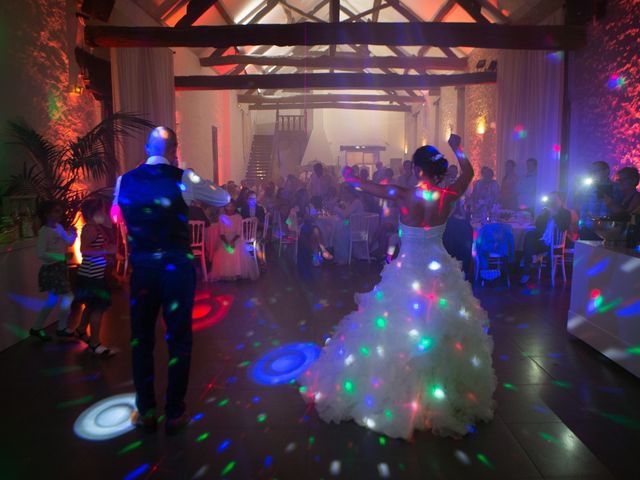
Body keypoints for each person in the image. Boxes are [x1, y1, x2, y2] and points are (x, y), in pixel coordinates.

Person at [299, 135, 496, 439]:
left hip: (407, 271)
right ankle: (436, 393)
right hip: (438, 271)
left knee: (397, 329)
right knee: (437, 329)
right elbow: (468, 173)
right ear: (438, 171)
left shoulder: (405, 195)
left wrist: (351, 177)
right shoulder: (447, 196)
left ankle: (401, 392)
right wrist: (457, 148)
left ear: (418, 170)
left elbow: (368, 187)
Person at [115, 126, 230, 435]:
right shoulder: (184, 178)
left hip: (142, 269)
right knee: (178, 339)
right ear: (174, 149)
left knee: (141, 340)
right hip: (176, 269)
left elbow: (118, 213)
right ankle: (175, 412)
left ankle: (147, 410)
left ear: (146, 149)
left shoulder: (123, 180)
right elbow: (223, 197)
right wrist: (194, 182)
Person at [73, 197, 116, 356]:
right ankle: (95, 343)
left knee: (91, 306)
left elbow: (96, 248)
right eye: (102, 210)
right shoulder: (90, 229)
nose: (105, 214)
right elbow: (84, 250)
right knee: (98, 309)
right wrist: (106, 251)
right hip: (91, 277)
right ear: (93, 213)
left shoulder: (96, 228)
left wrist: (107, 249)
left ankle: (80, 330)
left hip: (94, 275)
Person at [31, 200, 77, 340]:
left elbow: (68, 242)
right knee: (68, 296)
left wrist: (73, 235)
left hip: (60, 267)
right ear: (47, 214)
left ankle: (37, 328)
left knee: (53, 300)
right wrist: (61, 255)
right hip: (52, 269)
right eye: (56, 211)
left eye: (59, 211)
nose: (60, 213)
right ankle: (60, 328)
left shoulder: (59, 227)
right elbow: (40, 253)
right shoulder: (44, 232)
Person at [519, 191, 571, 284]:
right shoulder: (547, 211)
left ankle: (532, 261)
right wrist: (542, 214)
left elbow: (564, 226)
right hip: (543, 241)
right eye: (551, 199)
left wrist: (554, 214)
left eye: (555, 199)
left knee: (530, 247)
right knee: (529, 234)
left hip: (554, 243)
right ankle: (532, 260)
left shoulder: (565, 213)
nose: (553, 201)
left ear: (560, 200)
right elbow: (538, 225)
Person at [211, 200, 257, 280]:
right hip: (225, 239)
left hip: (236, 238)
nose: (230, 208)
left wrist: (232, 241)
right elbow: (221, 233)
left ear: (235, 207)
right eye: (228, 206)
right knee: (224, 250)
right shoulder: (222, 217)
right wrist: (227, 243)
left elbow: (239, 232)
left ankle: (237, 272)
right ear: (225, 207)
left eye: (232, 206)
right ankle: (225, 273)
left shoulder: (238, 217)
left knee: (236, 249)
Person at [574, 161, 615, 240]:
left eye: (596, 171)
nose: (593, 174)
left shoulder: (615, 187)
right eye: (591, 172)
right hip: (586, 229)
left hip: (606, 231)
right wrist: (582, 225)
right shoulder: (587, 187)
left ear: (606, 171)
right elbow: (580, 206)